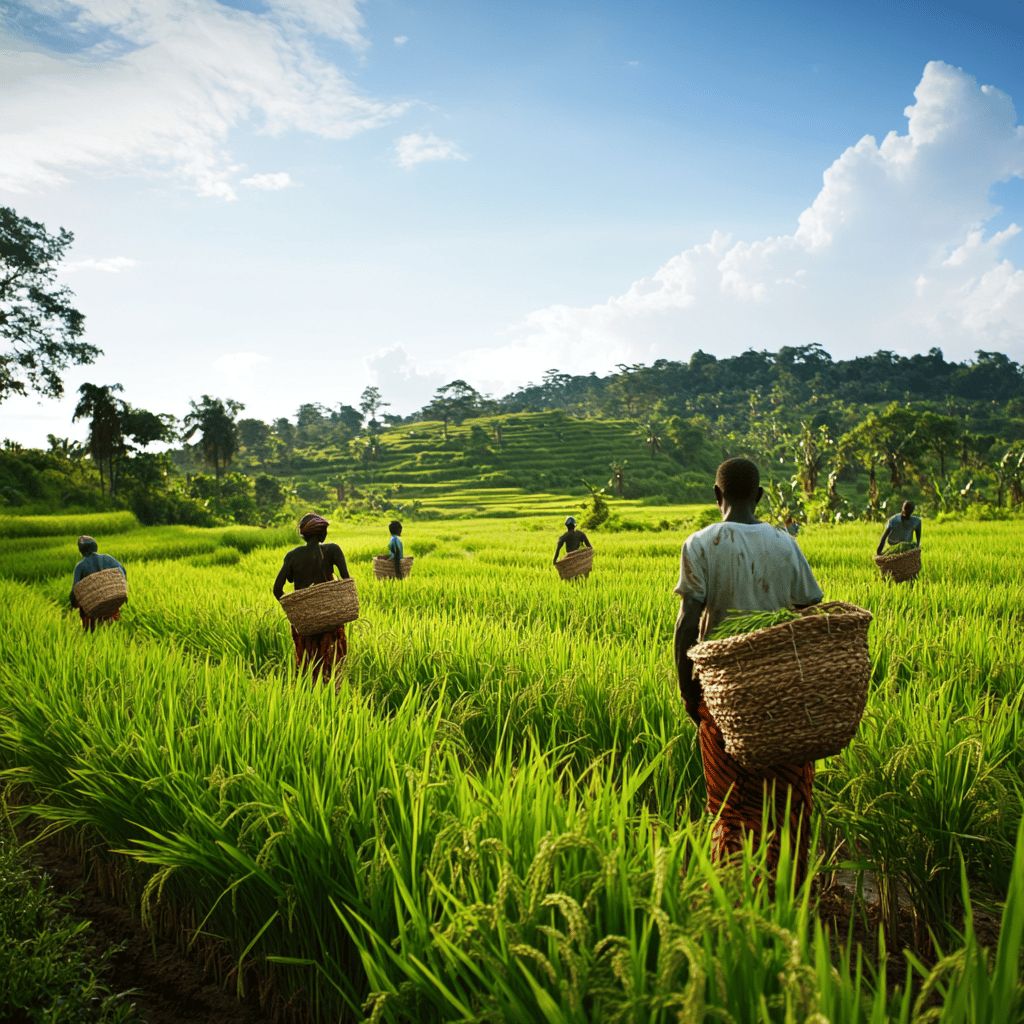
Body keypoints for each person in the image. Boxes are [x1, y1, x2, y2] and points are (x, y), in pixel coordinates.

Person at [673, 458, 824, 884]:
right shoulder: (785, 543)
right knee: (785, 798)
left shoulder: (700, 543)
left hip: (725, 695)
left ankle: (736, 888)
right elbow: (809, 617)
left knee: (732, 799)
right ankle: (787, 886)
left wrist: (689, 691)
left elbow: (687, 624)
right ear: (759, 497)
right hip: (782, 692)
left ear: (716, 495)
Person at [273, 513, 350, 683]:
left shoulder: (293, 556)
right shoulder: (333, 550)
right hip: (329, 615)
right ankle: (332, 693)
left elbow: (277, 590)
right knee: (331, 660)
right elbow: (346, 582)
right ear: (321, 533)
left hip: (304, 621)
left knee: (308, 661)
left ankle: (309, 694)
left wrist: (296, 609)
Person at [70, 535, 126, 632]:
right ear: (96, 547)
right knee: (113, 631)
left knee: (92, 634)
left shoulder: (80, 566)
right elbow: (123, 572)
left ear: (81, 551)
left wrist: (73, 603)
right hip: (111, 604)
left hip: (91, 610)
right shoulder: (108, 558)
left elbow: (75, 590)